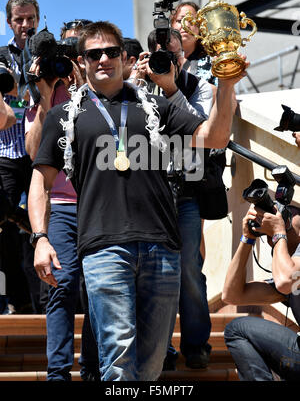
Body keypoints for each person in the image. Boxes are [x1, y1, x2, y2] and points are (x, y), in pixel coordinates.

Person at [27, 20, 248, 381]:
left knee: (151, 363)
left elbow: (216, 136)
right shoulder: (64, 115)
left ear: (124, 58)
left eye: (111, 52)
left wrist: (226, 83)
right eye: (93, 54)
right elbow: (41, 179)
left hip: (162, 247)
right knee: (118, 356)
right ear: (81, 61)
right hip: (103, 248)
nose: (103, 60)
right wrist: (40, 239)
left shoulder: (156, 106)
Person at [131, 27, 224, 370]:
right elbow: (123, 124)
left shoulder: (198, 85)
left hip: (185, 190)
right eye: (158, 57)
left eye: (171, 56)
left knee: (187, 267)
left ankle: (196, 343)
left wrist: (169, 87)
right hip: (148, 192)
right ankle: (161, 348)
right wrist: (138, 81)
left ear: (182, 55)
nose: (164, 63)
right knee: (150, 271)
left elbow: (201, 129)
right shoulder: (139, 85)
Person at [25, 19, 98, 381]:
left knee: (97, 287)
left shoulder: (98, 89)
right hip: (62, 208)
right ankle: (58, 372)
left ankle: (93, 370)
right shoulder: (46, 93)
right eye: (63, 51)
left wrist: (83, 85)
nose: (67, 60)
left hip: (97, 205)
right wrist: (44, 95)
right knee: (62, 284)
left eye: (75, 52)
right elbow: (33, 150)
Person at [222, 203, 300, 381]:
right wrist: (247, 238)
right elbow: (232, 294)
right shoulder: (288, 278)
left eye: (290, 213)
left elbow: (286, 280)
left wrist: (279, 232)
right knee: (237, 329)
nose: (281, 217)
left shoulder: (289, 277)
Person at [0, 0, 40, 314]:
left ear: (38, 19)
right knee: (7, 230)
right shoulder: (0, 56)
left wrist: (19, 99)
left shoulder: (46, 51)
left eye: (30, 19)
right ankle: (18, 300)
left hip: (39, 153)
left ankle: (45, 299)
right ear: (9, 22)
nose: (25, 25)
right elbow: (28, 102)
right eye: (19, 20)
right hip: (5, 152)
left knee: (44, 227)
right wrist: (26, 100)